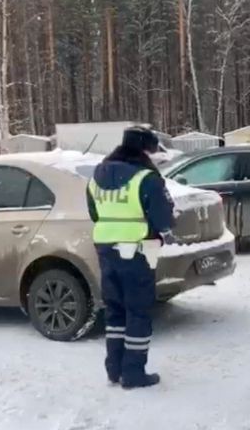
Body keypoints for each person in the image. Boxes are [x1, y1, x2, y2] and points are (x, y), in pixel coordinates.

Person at [86, 126, 175, 389]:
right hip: (136, 250)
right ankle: (134, 372)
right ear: (145, 149)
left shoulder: (97, 175)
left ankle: (114, 368)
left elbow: (94, 212)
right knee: (138, 311)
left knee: (115, 311)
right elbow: (163, 217)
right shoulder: (146, 178)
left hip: (105, 249)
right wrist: (166, 229)